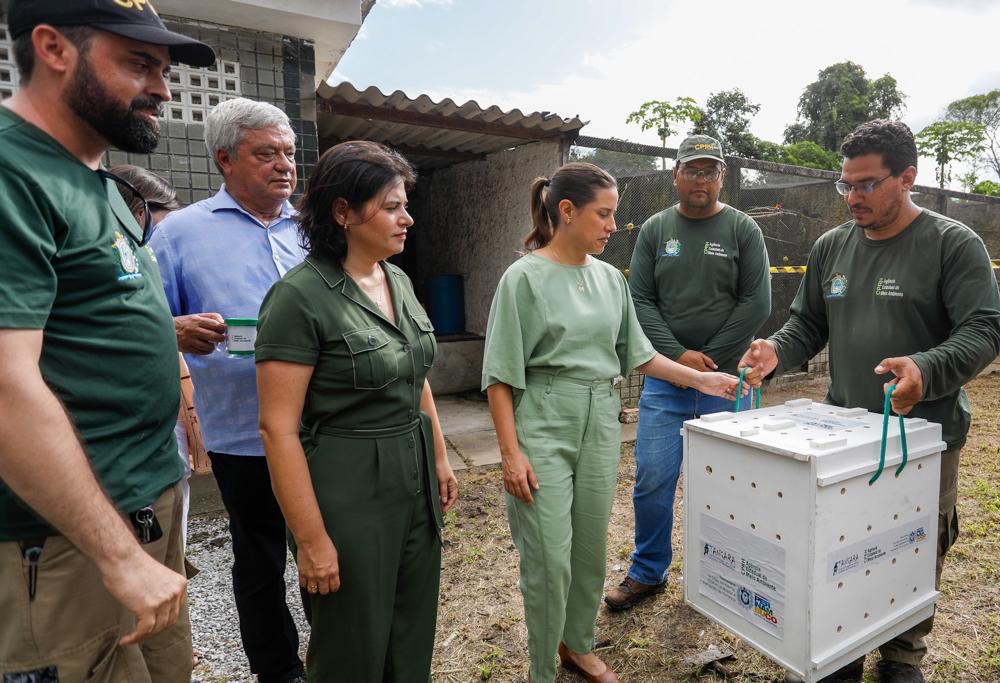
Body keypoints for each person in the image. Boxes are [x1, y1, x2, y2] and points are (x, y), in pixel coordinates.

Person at [739, 120, 1000, 683]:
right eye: (845, 185)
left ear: (907, 177)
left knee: (914, 542)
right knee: (843, 547)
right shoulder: (832, 246)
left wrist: (925, 368)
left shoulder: (952, 244)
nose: (852, 197)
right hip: (842, 435)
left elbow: (982, 331)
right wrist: (776, 354)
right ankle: (838, 646)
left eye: (866, 184)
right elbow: (807, 324)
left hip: (925, 435)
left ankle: (903, 655)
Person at [0, 1, 214, 680]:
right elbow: (6, 385)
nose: (163, 88)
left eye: (165, 69)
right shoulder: (14, 173)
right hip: (66, 542)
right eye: (139, 64)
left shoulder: (96, 181)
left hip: (141, 510)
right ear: (53, 48)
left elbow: (82, 314)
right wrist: (117, 555)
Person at [482, 162, 745, 683]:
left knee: (589, 547)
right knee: (549, 558)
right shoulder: (523, 278)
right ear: (566, 211)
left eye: (614, 216)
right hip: (545, 420)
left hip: (600, 420)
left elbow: (639, 354)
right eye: (603, 215)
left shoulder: (608, 279)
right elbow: (499, 377)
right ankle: (541, 670)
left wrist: (704, 382)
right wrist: (511, 454)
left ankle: (576, 645)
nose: (612, 226)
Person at [255, 140, 459, 681]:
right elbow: (277, 430)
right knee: (351, 643)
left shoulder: (398, 279)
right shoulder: (298, 298)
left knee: (412, 628)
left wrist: (438, 456)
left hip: (413, 479)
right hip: (347, 487)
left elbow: (416, 377)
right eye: (392, 206)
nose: (407, 218)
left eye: (404, 205)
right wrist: (312, 539)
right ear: (342, 212)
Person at [149, 97, 306, 683]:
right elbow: (142, 323)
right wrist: (177, 330)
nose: (284, 166)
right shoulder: (181, 235)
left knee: (326, 552)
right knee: (261, 559)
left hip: (320, 429)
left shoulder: (313, 232)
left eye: (289, 154)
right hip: (243, 434)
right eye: (266, 154)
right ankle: (278, 671)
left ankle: (339, 655)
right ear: (224, 159)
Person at [605, 135, 771, 611]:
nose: (701, 179)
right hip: (665, 381)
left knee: (732, 483)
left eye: (710, 171)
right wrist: (678, 357)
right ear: (675, 175)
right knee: (653, 478)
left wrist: (712, 358)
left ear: (722, 177)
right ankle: (647, 571)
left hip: (728, 383)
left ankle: (729, 575)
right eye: (692, 170)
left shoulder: (742, 229)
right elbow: (640, 300)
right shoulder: (656, 230)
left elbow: (756, 302)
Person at [109, 164, 209, 544]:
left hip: (160, 433)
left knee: (171, 536)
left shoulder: (141, 258)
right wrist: (172, 330)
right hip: (124, 445)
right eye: (163, 225)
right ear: (138, 212)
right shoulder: (108, 257)